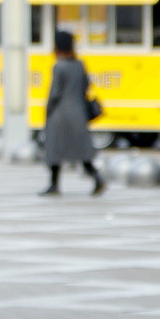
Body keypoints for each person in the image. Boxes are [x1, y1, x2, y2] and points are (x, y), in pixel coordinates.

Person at [41, 29, 104, 196]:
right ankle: (97, 178)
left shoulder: (59, 66)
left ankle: (54, 185)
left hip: (60, 114)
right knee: (83, 151)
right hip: (78, 111)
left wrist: (46, 110)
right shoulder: (79, 65)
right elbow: (86, 86)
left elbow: (54, 93)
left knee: (54, 150)